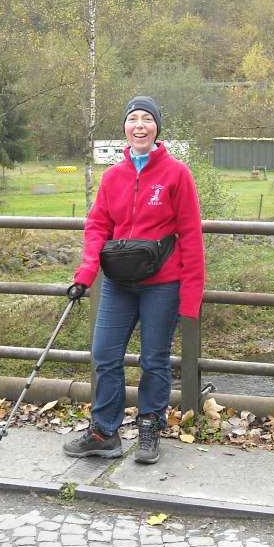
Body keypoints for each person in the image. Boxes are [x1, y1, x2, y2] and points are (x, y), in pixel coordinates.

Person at [63, 95, 205, 465]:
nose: (139, 125)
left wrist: (191, 298)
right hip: (117, 284)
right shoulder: (113, 177)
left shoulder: (177, 174)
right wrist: (85, 273)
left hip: (163, 283)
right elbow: (97, 226)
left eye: (146, 119)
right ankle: (104, 432)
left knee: (154, 359)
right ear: (125, 127)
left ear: (157, 127)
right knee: (105, 355)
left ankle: (149, 427)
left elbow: (191, 237)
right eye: (132, 119)